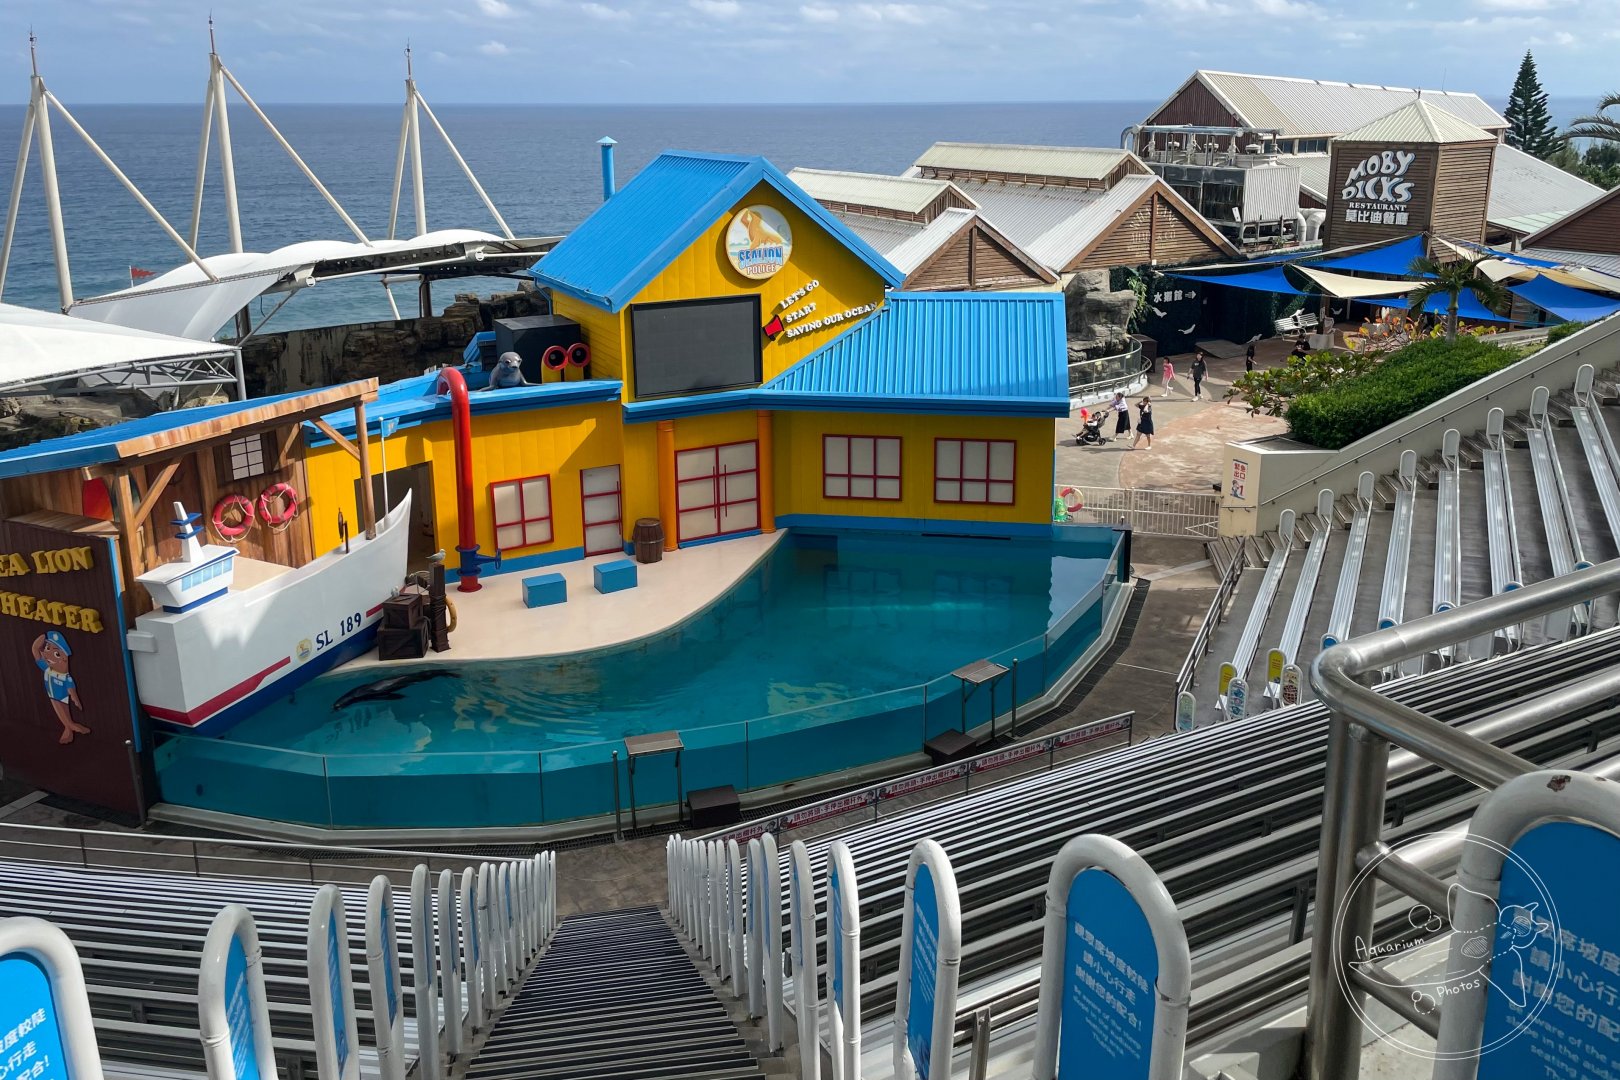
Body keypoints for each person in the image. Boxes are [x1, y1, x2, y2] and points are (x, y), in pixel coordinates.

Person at [33, 630, 87, 745]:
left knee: (62, 709)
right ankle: (69, 727)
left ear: (64, 659)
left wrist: (75, 698)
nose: (47, 654)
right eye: (47, 648)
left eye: (56, 654)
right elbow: (36, 652)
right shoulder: (47, 668)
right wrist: (38, 642)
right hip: (52, 695)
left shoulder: (65, 676)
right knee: (62, 712)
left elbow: (71, 688)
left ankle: (70, 726)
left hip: (60, 696)